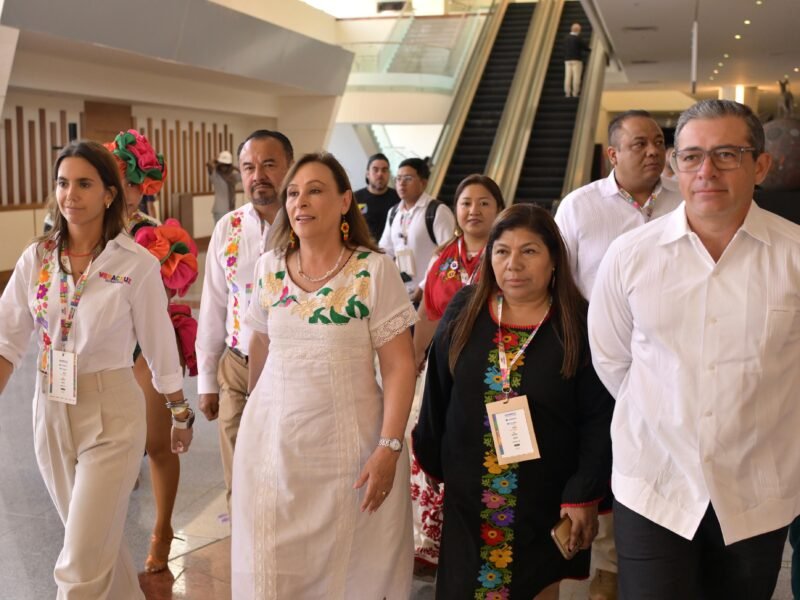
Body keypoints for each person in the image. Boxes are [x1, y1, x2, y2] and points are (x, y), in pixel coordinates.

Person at [588, 99, 800, 600]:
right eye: (691, 156)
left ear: (761, 166)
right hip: (655, 484)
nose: (707, 171)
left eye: (727, 154)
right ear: (674, 166)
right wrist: (670, 413)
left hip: (756, 489)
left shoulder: (793, 256)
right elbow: (612, 359)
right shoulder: (631, 256)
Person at [0, 140, 193, 599]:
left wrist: (179, 411)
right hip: (49, 407)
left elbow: (159, 343)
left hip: (110, 414)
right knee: (94, 545)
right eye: (63, 183)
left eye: (84, 183)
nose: (70, 194)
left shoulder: (136, 265)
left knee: (80, 565)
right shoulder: (38, 259)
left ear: (109, 194)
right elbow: (6, 339)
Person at [232, 152, 417, 598]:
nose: (301, 202)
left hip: (352, 453)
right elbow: (259, 345)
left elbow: (398, 365)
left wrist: (389, 448)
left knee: (350, 569)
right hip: (274, 449)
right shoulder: (269, 268)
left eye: (315, 190)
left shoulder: (373, 270)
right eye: (293, 193)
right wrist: (252, 424)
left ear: (344, 201)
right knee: (272, 565)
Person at [413, 204, 613, 599]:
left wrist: (583, 492)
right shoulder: (466, 309)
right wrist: (434, 463)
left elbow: (598, 417)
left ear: (554, 258)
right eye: (502, 251)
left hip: (544, 503)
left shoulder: (578, 322)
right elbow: (437, 394)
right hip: (468, 502)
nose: (513, 264)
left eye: (530, 251)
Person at [554, 109, 682, 600]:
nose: (654, 152)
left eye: (658, 143)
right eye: (639, 144)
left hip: (667, 359)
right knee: (604, 456)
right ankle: (606, 568)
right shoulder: (581, 207)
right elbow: (562, 282)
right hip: (597, 360)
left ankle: (654, 550)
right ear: (612, 154)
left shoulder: (682, 200)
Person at [105, 129, 199, 573]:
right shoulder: (87, 229)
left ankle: (162, 530)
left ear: (142, 185)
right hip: (101, 348)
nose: (112, 187)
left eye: (122, 179)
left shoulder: (151, 236)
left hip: (147, 345)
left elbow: (172, 288)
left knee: (157, 444)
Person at [409, 174, 505, 574]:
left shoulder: (507, 252)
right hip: (442, 371)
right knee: (430, 445)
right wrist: (414, 360)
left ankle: (489, 535)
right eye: (466, 203)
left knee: (487, 452)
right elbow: (429, 313)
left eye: (484, 203)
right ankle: (431, 541)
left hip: (494, 369)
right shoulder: (443, 256)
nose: (474, 210)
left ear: (499, 209)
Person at [196, 129, 293, 509]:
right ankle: (245, 557)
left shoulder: (308, 225)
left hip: (290, 366)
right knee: (240, 475)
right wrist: (206, 380)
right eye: (249, 167)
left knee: (286, 472)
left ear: (290, 166)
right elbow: (213, 305)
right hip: (237, 366)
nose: (259, 175)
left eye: (269, 164)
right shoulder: (229, 228)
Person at [379, 157, 456, 306]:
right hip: (399, 294)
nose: (401, 183)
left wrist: (424, 285)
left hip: (429, 295)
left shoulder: (437, 211)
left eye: (408, 178)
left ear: (423, 182)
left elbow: (450, 254)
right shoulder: (394, 212)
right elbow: (385, 250)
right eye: (398, 178)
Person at [354, 152, 400, 241]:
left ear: (388, 174)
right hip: (363, 251)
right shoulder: (355, 198)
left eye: (384, 170)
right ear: (367, 174)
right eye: (375, 170)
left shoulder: (399, 198)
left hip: (391, 251)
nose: (380, 174)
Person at [208, 150, 241, 223]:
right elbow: (209, 164)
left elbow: (243, 173)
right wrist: (217, 159)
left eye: (226, 166)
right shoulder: (216, 176)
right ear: (219, 166)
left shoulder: (233, 177)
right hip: (219, 210)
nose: (224, 168)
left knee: (230, 233)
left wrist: (234, 167)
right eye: (222, 165)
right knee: (220, 233)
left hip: (230, 209)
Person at [564, 22, 590, 98]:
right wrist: (590, 50)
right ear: (578, 30)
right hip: (576, 60)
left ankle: (567, 93)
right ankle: (575, 93)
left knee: (567, 77)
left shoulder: (566, 38)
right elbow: (585, 47)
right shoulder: (578, 38)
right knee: (576, 77)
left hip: (567, 60)